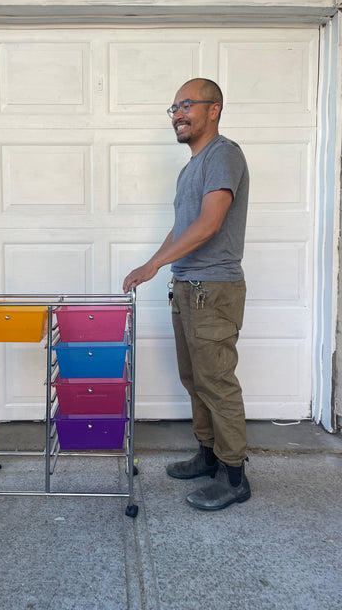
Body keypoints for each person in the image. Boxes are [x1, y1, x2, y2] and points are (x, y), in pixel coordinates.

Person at [123, 78, 250, 511]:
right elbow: (183, 226)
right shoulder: (190, 168)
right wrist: (154, 263)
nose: (177, 114)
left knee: (217, 382)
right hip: (188, 288)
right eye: (173, 108)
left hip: (213, 289)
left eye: (186, 105)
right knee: (195, 380)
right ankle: (208, 456)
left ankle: (234, 476)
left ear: (213, 109)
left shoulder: (223, 155)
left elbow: (210, 223)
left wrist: (154, 264)